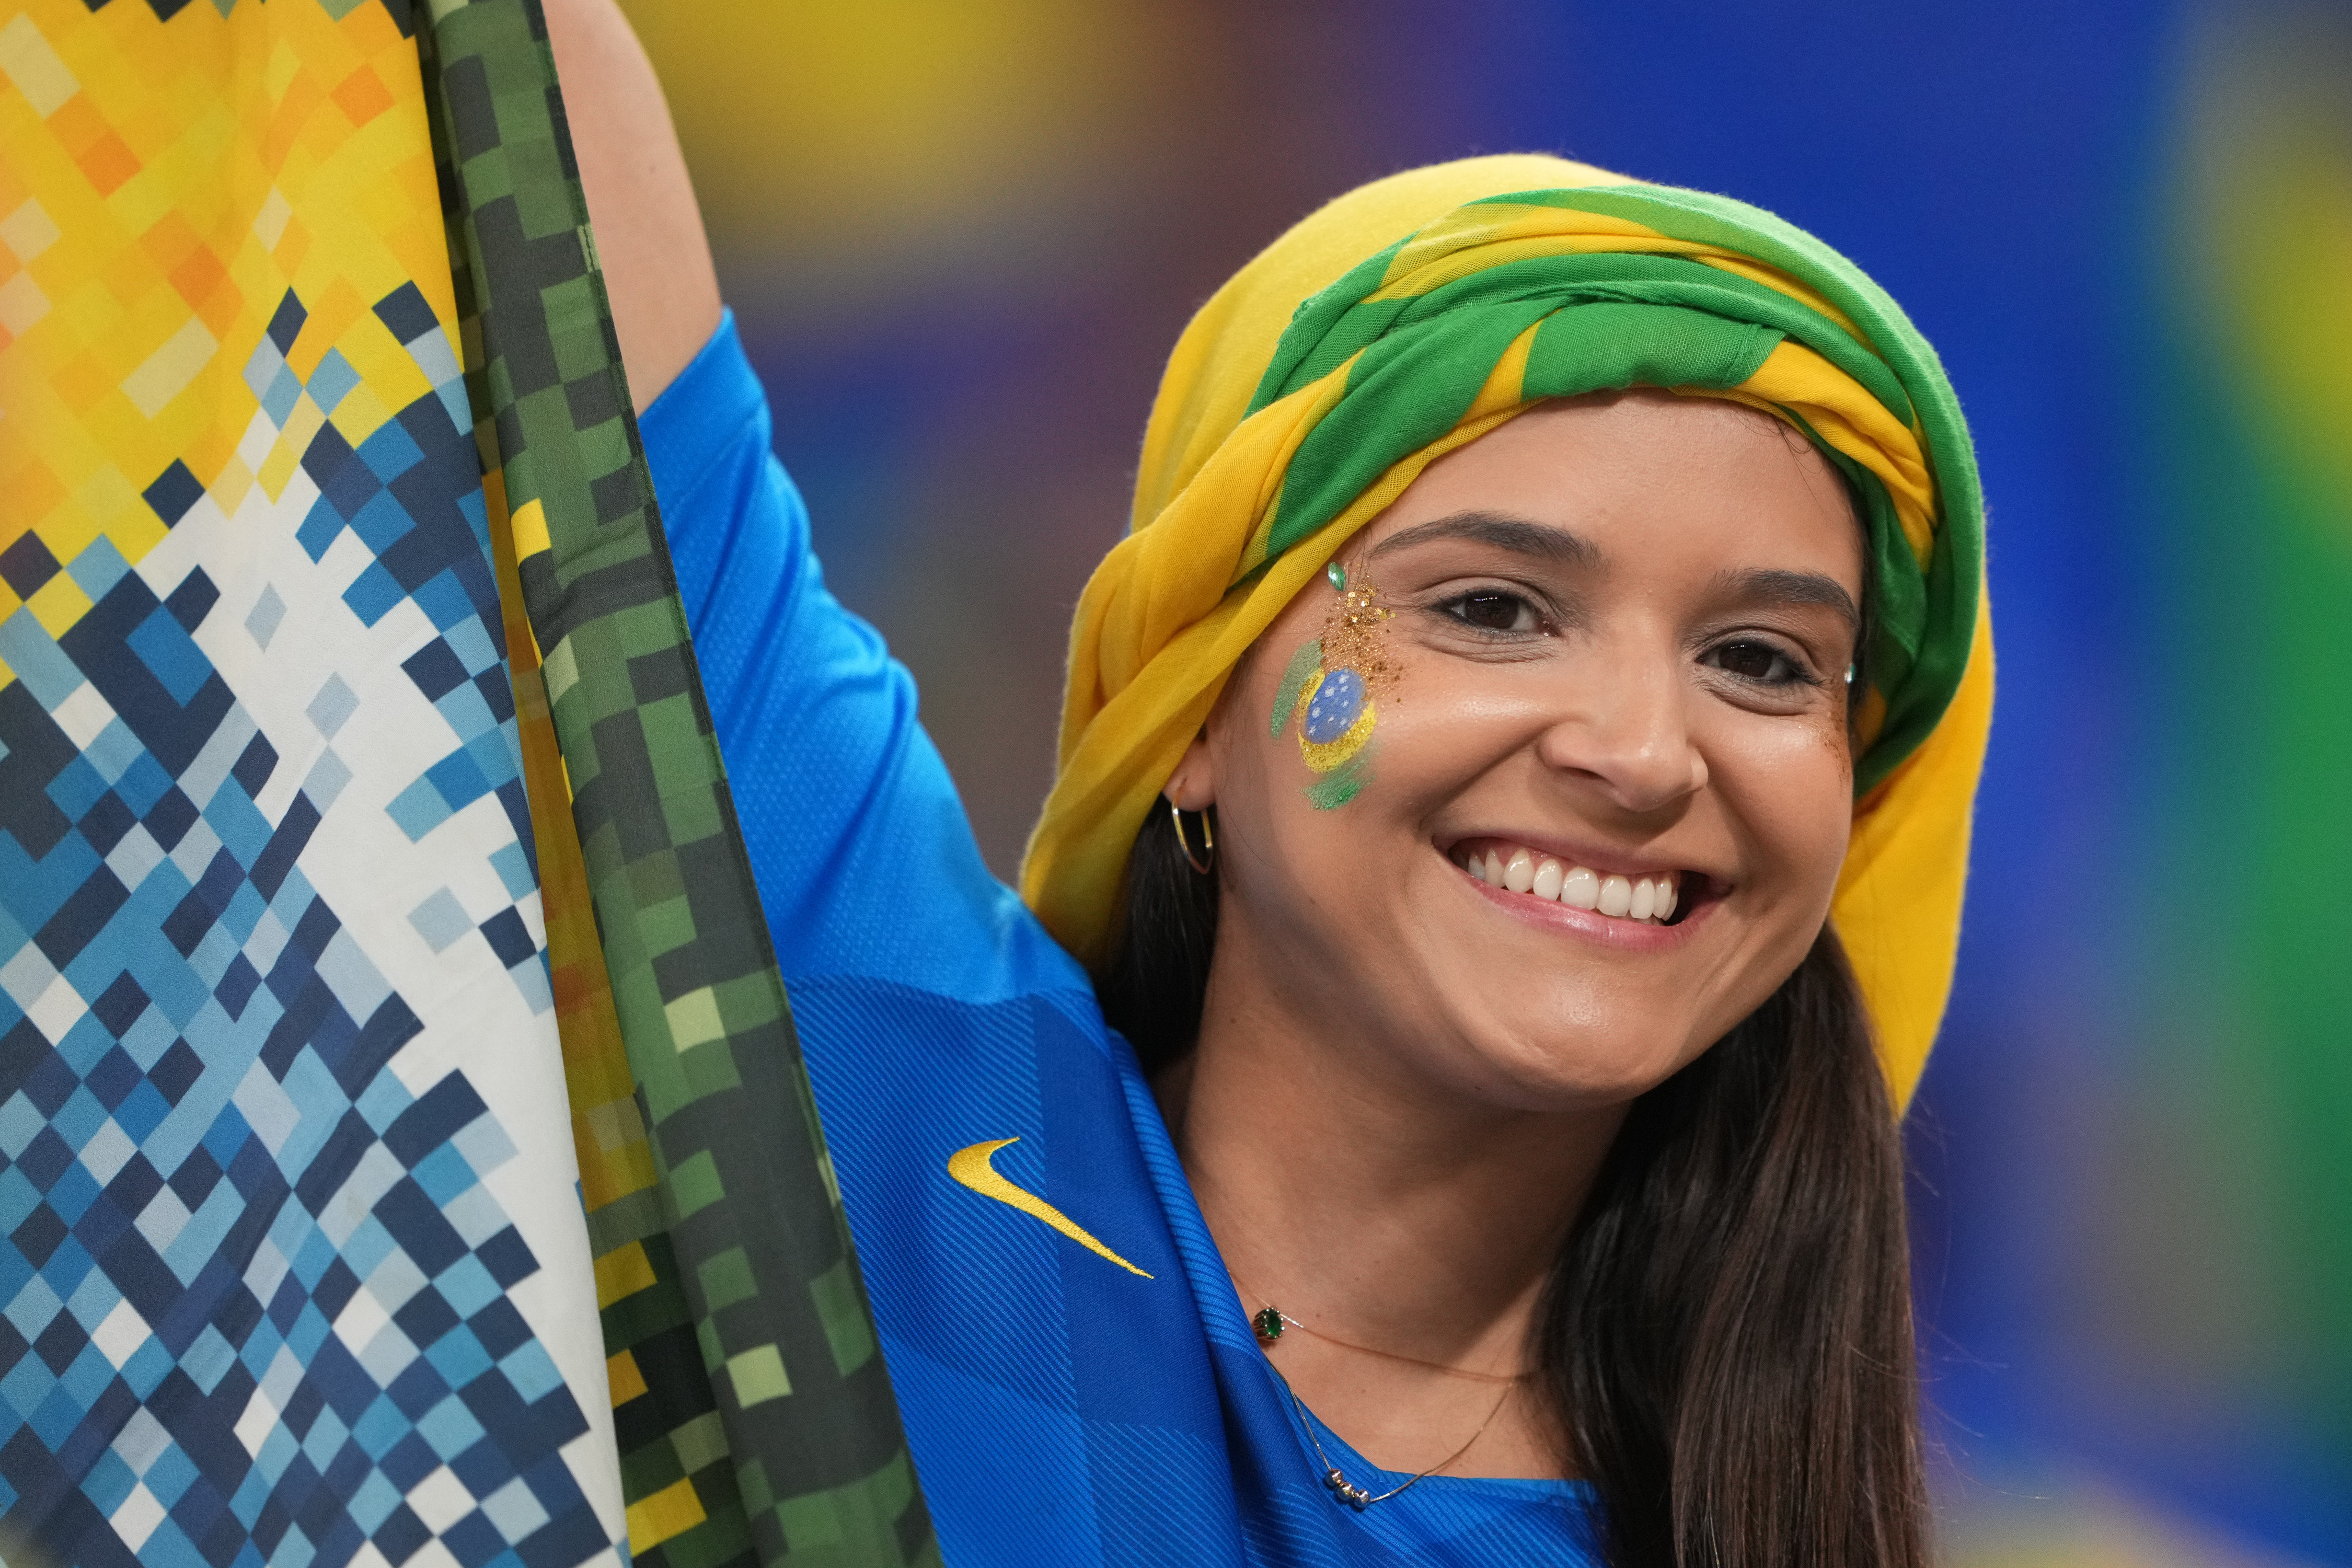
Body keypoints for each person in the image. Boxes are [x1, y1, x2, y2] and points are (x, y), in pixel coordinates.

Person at [546, 4, 1992, 1564]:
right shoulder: (886, 1062)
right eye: (1490, 609)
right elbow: (535, 147)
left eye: (1764, 661)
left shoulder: (1773, 1509)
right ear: (1192, 706)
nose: (1640, 754)